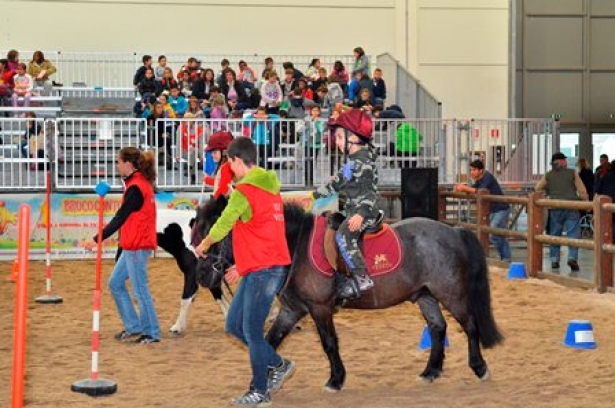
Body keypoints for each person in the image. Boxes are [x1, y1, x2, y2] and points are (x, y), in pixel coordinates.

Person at [195, 137, 294, 406]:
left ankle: (260, 392)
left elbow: (225, 222)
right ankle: (279, 365)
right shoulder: (271, 188)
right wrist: (243, 265)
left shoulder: (244, 191)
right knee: (234, 326)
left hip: (264, 270)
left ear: (237, 161)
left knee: (249, 330)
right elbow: (264, 233)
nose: (231, 169)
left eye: (230, 163)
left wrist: (204, 243)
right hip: (263, 266)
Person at [85, 147, 161, 344]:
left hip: (137, 246)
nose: (117, 165)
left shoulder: (136, 188)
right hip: (132, 245)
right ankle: (134, 327)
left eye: (118, 161)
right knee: (115, 284)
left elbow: (120, 218)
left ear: (128, 164)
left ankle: (151, 333)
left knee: (140, 290)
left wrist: (96, 240)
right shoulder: (136, 185)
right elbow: (125, 220)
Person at [313, 109, 380, 300]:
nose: (338, 141)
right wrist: (312, 196)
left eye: (341, 137)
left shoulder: (364, 162)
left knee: (343, 235)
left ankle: (361, 277)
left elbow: (369, 193)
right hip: (351, 209)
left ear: (355, 138)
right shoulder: (351, 162)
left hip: (364, 211)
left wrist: (360, 213)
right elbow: (335, 183)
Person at [536, 152, 588, 272]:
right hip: (571, 207)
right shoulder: (572, 172)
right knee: (573, 233)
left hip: (555, 208)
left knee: (555, 234)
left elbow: (538, 188)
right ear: (560, 162)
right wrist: (586, 203)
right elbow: (582, 190)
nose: (566, 161)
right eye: (564, 160)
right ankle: (572, 258)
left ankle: (554, 260)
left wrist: (548, 194)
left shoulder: (548, 175)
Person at [454, 160, 511, 262]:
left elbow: (480, 191)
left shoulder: (487, 178)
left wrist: (464, 188)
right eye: (471, 170)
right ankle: (505, 257)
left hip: (501, 209)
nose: (472, 172)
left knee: (493, 233)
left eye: (474, 170)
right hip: (493, 210)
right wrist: (463, 189)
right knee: (497, 233)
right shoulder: (479, 180)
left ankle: (505, 257)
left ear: (481, 170)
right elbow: (474, 188)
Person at [203, 131, 234, 199]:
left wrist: (213, 201)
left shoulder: (226, 167)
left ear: (224, 152)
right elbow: (220, 182)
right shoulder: (225, 165)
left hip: (226, 203)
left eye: (214, 152)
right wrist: (207, 179)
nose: (212, 155)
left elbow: (223, 188)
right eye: (211, 152)